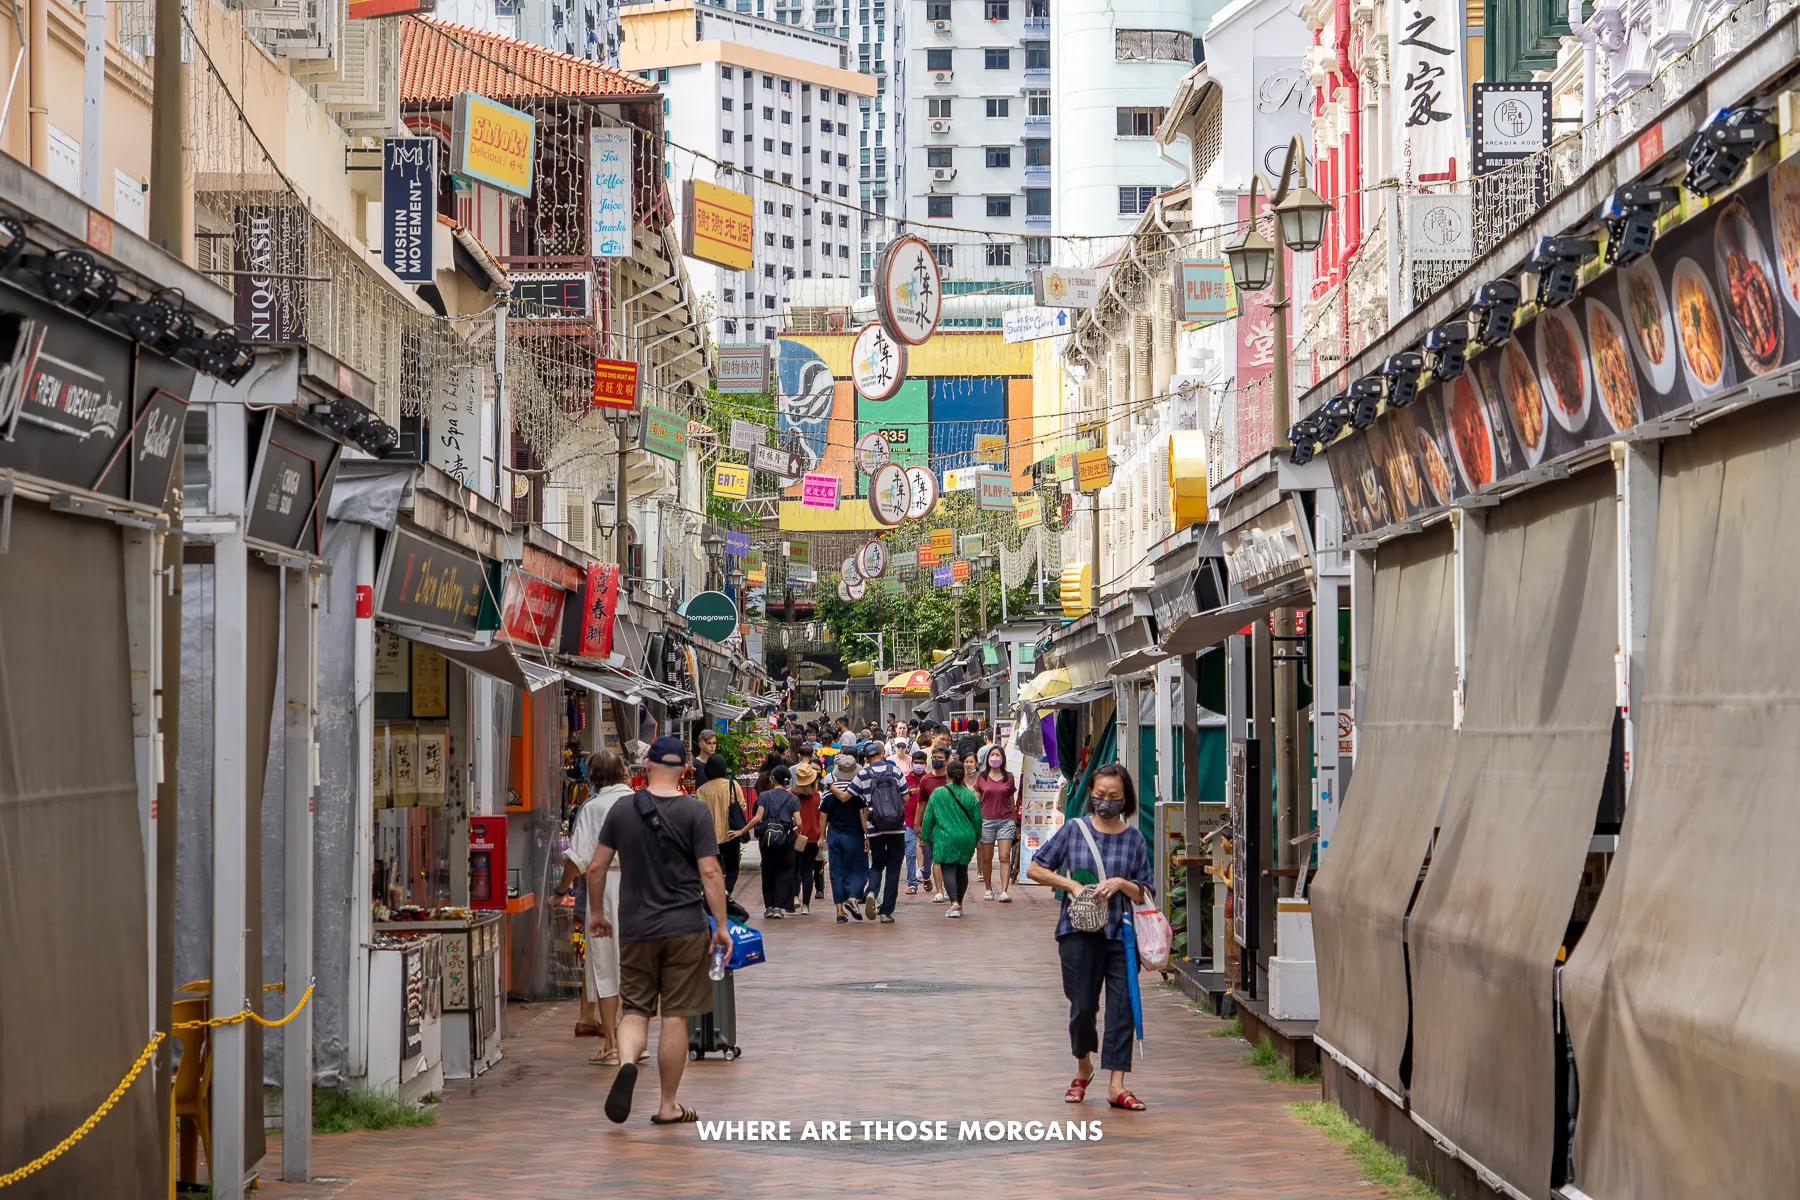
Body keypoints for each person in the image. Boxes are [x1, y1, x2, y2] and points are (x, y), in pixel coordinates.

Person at [586, 736, 733, 1125]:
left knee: (635, 1008)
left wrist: (598, 913)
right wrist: (721, 926)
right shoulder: (694, 811)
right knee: (675, 1016)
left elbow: (596, 867)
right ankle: (668, 1104)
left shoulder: (621, 810)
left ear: (646, 765)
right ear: (687, 769)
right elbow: (710, 871)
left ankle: (627, 1061)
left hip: (636, 927)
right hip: (685, 927)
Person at [1024, 763, 1154, 1113]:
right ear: (1091, 796)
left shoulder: (1134, 838)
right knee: (1082, 1006)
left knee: (1122, 1007)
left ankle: (1117, 1084)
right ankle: (1083, 1067)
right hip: (1077, 932)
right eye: (1100, 796)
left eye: (1114, 797)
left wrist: (1123, 884)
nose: (1106, 802)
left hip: (1119, 933)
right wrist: (1072, 885)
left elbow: (1146, 890)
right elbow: (1036, 867)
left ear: (1125, 798)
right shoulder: (1073, 830)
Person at [561, 751, 633, 1063]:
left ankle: (612, 1043)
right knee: (633, 964)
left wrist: (559, 891)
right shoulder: (641, 802)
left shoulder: (592, 807)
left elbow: (578, 859)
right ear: (623, 772)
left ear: (593, 776)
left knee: (605, 965)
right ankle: (636, 1038)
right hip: (640, 891)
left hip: (603, 890)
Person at [852, 740, 909, 924]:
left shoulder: (862, 774)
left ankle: (871, 891)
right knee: (893, 868)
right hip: (897, 827)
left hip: (875, 827)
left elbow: (852, 797)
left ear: (867, 759)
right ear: (882, 754)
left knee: (877, 865)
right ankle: (886, 912)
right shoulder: (895, 771)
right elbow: (906, 797)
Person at [919, 757, 982, 919]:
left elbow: (928, 818)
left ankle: (954, 902)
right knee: (962, 869)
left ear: (947, 776)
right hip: (966, 837)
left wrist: (924, 836)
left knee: (948, 868)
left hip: (945, 837)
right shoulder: (970, 795)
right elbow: (977, 820)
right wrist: (976, 837)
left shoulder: (938, 793)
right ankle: (958, 904)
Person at [820, 750, 870, 922]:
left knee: (836, 871)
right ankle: (852, 898)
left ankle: (840, 912)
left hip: (834, 834)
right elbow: (863, 815)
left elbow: (823, 816)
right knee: (859, 868)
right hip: (854, 834)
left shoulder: (828, 792)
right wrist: (867, 835)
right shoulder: (858, 791)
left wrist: (822, 837)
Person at [696, 755, 751, 898]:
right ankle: (727, 892)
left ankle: (711, 894)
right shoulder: (732, 785)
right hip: (731, 833)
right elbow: (743, 808)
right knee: (732, 867)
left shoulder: (701, 791)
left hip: (710, 836)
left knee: (712, 868)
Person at [751, 764, 802, 919]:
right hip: (785, 839)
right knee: (785, 872)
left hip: (767, 839)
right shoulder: (793, 798)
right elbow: (798, 822)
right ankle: (779, 907)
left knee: (768, 871)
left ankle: (769, 907)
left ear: (773, 779)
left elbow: (758, 818)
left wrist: (742, 831)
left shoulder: (764, 796)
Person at [974, 746, 1020, 903]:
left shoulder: (1009, 777)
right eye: (992, 754)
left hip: (1005, 821)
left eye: (998, 755)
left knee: (1004, 856)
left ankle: (1004, 890)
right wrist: (975, 820)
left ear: (1003, 759)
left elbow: (1011, 801)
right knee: (987, 857)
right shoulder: (981, 777)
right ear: (987, 758)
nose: (994, 757)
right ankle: (988, 889)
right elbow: (976, 801)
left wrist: (1015, 821)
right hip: (986, 821)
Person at [791, 762, 825, 915]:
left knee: (794, 868)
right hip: (812, 837)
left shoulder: (792, 796)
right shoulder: (817, 796)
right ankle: (806, 905)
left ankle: (794, 897)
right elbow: (822, 818)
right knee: (807, 871)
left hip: (795, 836)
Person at [902, 750, 930, 895]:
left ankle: (926, 874)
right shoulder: (905, 780)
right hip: (909, 822)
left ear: (925, 764)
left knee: (928, 853)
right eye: (916, 763)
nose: (918, 766)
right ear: (912, 764)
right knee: (911, 853)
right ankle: (912, 883)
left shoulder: (929, 780)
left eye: (921, 763)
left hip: (927, 823)